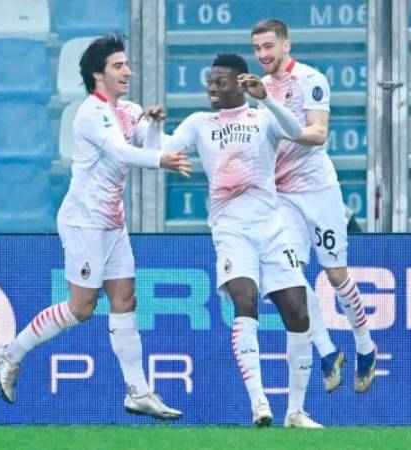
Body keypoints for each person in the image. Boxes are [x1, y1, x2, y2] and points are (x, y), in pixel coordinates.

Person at [0, 34, 190, 420]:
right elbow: (120, 151)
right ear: (98, 74)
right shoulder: (90, 113)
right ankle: (10, 354)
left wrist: (154, 127)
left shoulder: (128, 109)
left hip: (112, 221)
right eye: (118, 65)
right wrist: (161, 159)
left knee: (125, 299)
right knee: (82, 308)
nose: (127, 71)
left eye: (127, 64)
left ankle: (138, 391)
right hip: (84, 220)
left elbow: (150, 142)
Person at [161, 54, 313, 428]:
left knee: (299, 314)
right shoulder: (200, 123)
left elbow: (298, 132)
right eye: (209, 82)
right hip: (231, 228)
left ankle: (296, 411)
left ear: (239, 82)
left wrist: (267, 98)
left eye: (219, 82)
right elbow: (165, 147)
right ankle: (259, 404)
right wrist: (151, 127)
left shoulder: (262, 117)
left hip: (272, 229)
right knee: (245, 301)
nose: (212, 88)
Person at [251, 20, 377, 406]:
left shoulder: (310, 79)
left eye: (268, 46)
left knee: (337, 276)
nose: (263, 55)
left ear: (286, 44)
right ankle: (326, 351)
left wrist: (271, 108)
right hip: (283, 195)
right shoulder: (259, 89)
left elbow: (318, 133)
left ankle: (366, 346)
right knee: (286, 278)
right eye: (256, 49)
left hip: (318, 191)